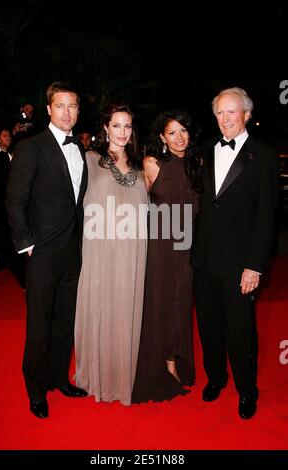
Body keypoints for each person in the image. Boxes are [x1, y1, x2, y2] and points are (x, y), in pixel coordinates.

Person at [191, 87, 278, 419]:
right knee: (209, 327)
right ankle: (216, 378)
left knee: (241, 332)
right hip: (204, 260)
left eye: (232, 112)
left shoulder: (264, 156)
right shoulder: (206, 150)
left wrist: (255, 265)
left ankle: (247, 389)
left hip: (240, 264)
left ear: (246, 114)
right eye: (220, 113)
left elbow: (266, 217)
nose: (225, 119)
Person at [6, 81, 88, 418]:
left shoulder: (81, 149)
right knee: (39, 324)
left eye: (73, 106)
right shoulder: (31, 147)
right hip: (41, 252)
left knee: (64, 321)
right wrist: (26, 244)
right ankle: (36, 389)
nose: (67, 112)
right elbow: (15, 200)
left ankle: (58, 378)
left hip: (72, 250)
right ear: (49, 109)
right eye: (61, 106)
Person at [75, 103, 148, 406]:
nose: (122, 132)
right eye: (116, 125)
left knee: (126, 309)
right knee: (101, 307)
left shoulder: (143, 165)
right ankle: (98, 376)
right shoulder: (89, 160)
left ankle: (123, 379)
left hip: (134, 250)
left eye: (127, 126)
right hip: (101, 249)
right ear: (105, 128)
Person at [131, 110, 202, 404]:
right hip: (158, 250)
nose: (179, 138)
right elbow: (136, 208)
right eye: (172, 132)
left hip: (186, 250)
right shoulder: (152, 164)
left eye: (183, 130)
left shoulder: (197, 164)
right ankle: (157, 365)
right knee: (158, 305)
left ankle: (174, 363)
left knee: (180, 304)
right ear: (162, 137)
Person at [0, 127, 25, 287]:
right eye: (4, 136)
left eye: (9, 135)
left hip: (12, 207)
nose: (8, 138)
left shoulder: (15, 156)